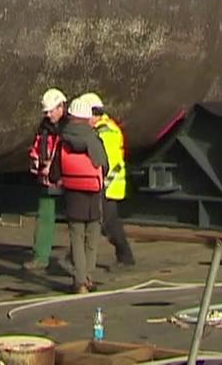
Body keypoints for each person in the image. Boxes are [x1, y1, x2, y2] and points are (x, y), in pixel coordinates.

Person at [52, 94, 111, 293]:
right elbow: (105, 167)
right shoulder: (93, 139)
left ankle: (79, 282)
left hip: (72, 196)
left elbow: (54, 173)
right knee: (92, 237)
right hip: (93, 196)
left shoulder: (62, 141)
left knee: (76, 238)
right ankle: (88, 276)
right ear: (87, 118)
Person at [85, 94, 136, 268]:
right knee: (105, 221)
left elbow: (109, 162)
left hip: (108, 184)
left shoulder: (105, 132)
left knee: (109, 222)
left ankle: (125, 257)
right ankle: (124, 256)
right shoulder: (106, 128)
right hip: (109, 183)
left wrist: (103, 182)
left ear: (94, 114)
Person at [27, 88, 69, 274]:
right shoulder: (43, 129)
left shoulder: (70, 127)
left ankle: (78, 260)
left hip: (68, 179)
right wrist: (38, 164)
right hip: (47, 179)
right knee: (44, 217)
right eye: (46, 112)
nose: (48, 114)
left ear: (61, 107)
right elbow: (36, 149)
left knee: (78, 222)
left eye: (51, 111)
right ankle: (40, 257)